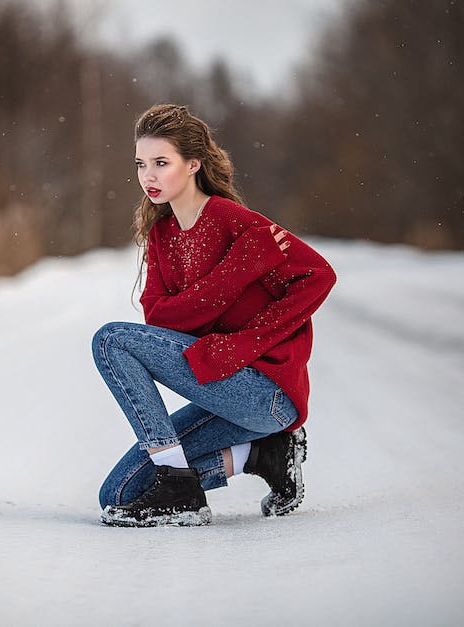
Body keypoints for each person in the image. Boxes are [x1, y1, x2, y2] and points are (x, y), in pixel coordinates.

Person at [92, 104, 336, 527]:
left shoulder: (231, 220)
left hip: (267, 395)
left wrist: (246, 343)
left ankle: (173, 478)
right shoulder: (162, 235)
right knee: (118, 494)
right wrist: (235, 272)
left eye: (161, 163)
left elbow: (319, 276)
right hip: (223, 390)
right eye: (140, 164)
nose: (148, 176)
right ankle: (263, 456)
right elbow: (161, 320)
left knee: (111, 340)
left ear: (193, 164)